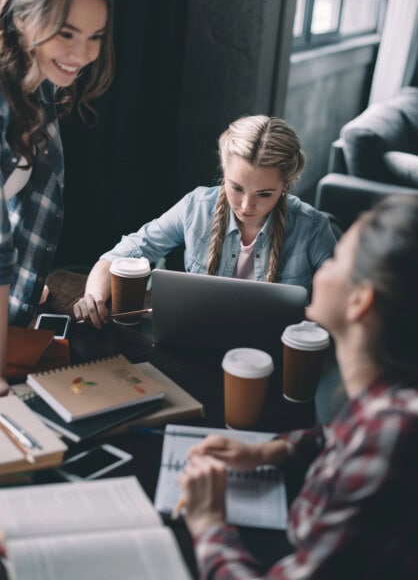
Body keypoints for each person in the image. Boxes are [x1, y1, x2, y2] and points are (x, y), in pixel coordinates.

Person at [178, 194, 418, 579]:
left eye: (338, 260)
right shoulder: (388, 405)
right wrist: (271, 451)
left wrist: (208, 523)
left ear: (360, 301)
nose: (322, 270)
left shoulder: (395, 434)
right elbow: (342, 437)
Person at [0, 0, 114, 401]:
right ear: (21, 18)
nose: (83, 53)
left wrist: (26, 289)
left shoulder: (34, 81)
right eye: (66, 33)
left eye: (95, 37)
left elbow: (25, 210)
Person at [74, 115, 336, 328]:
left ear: (285, 186)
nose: (246, 206)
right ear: (224, 172)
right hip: (198, 340)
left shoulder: (312, 228)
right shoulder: (196, 207)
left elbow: (346, 302)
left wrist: (306, 315)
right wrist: (94, 295)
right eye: (236, 188)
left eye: (265, 194)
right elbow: (126, 251)